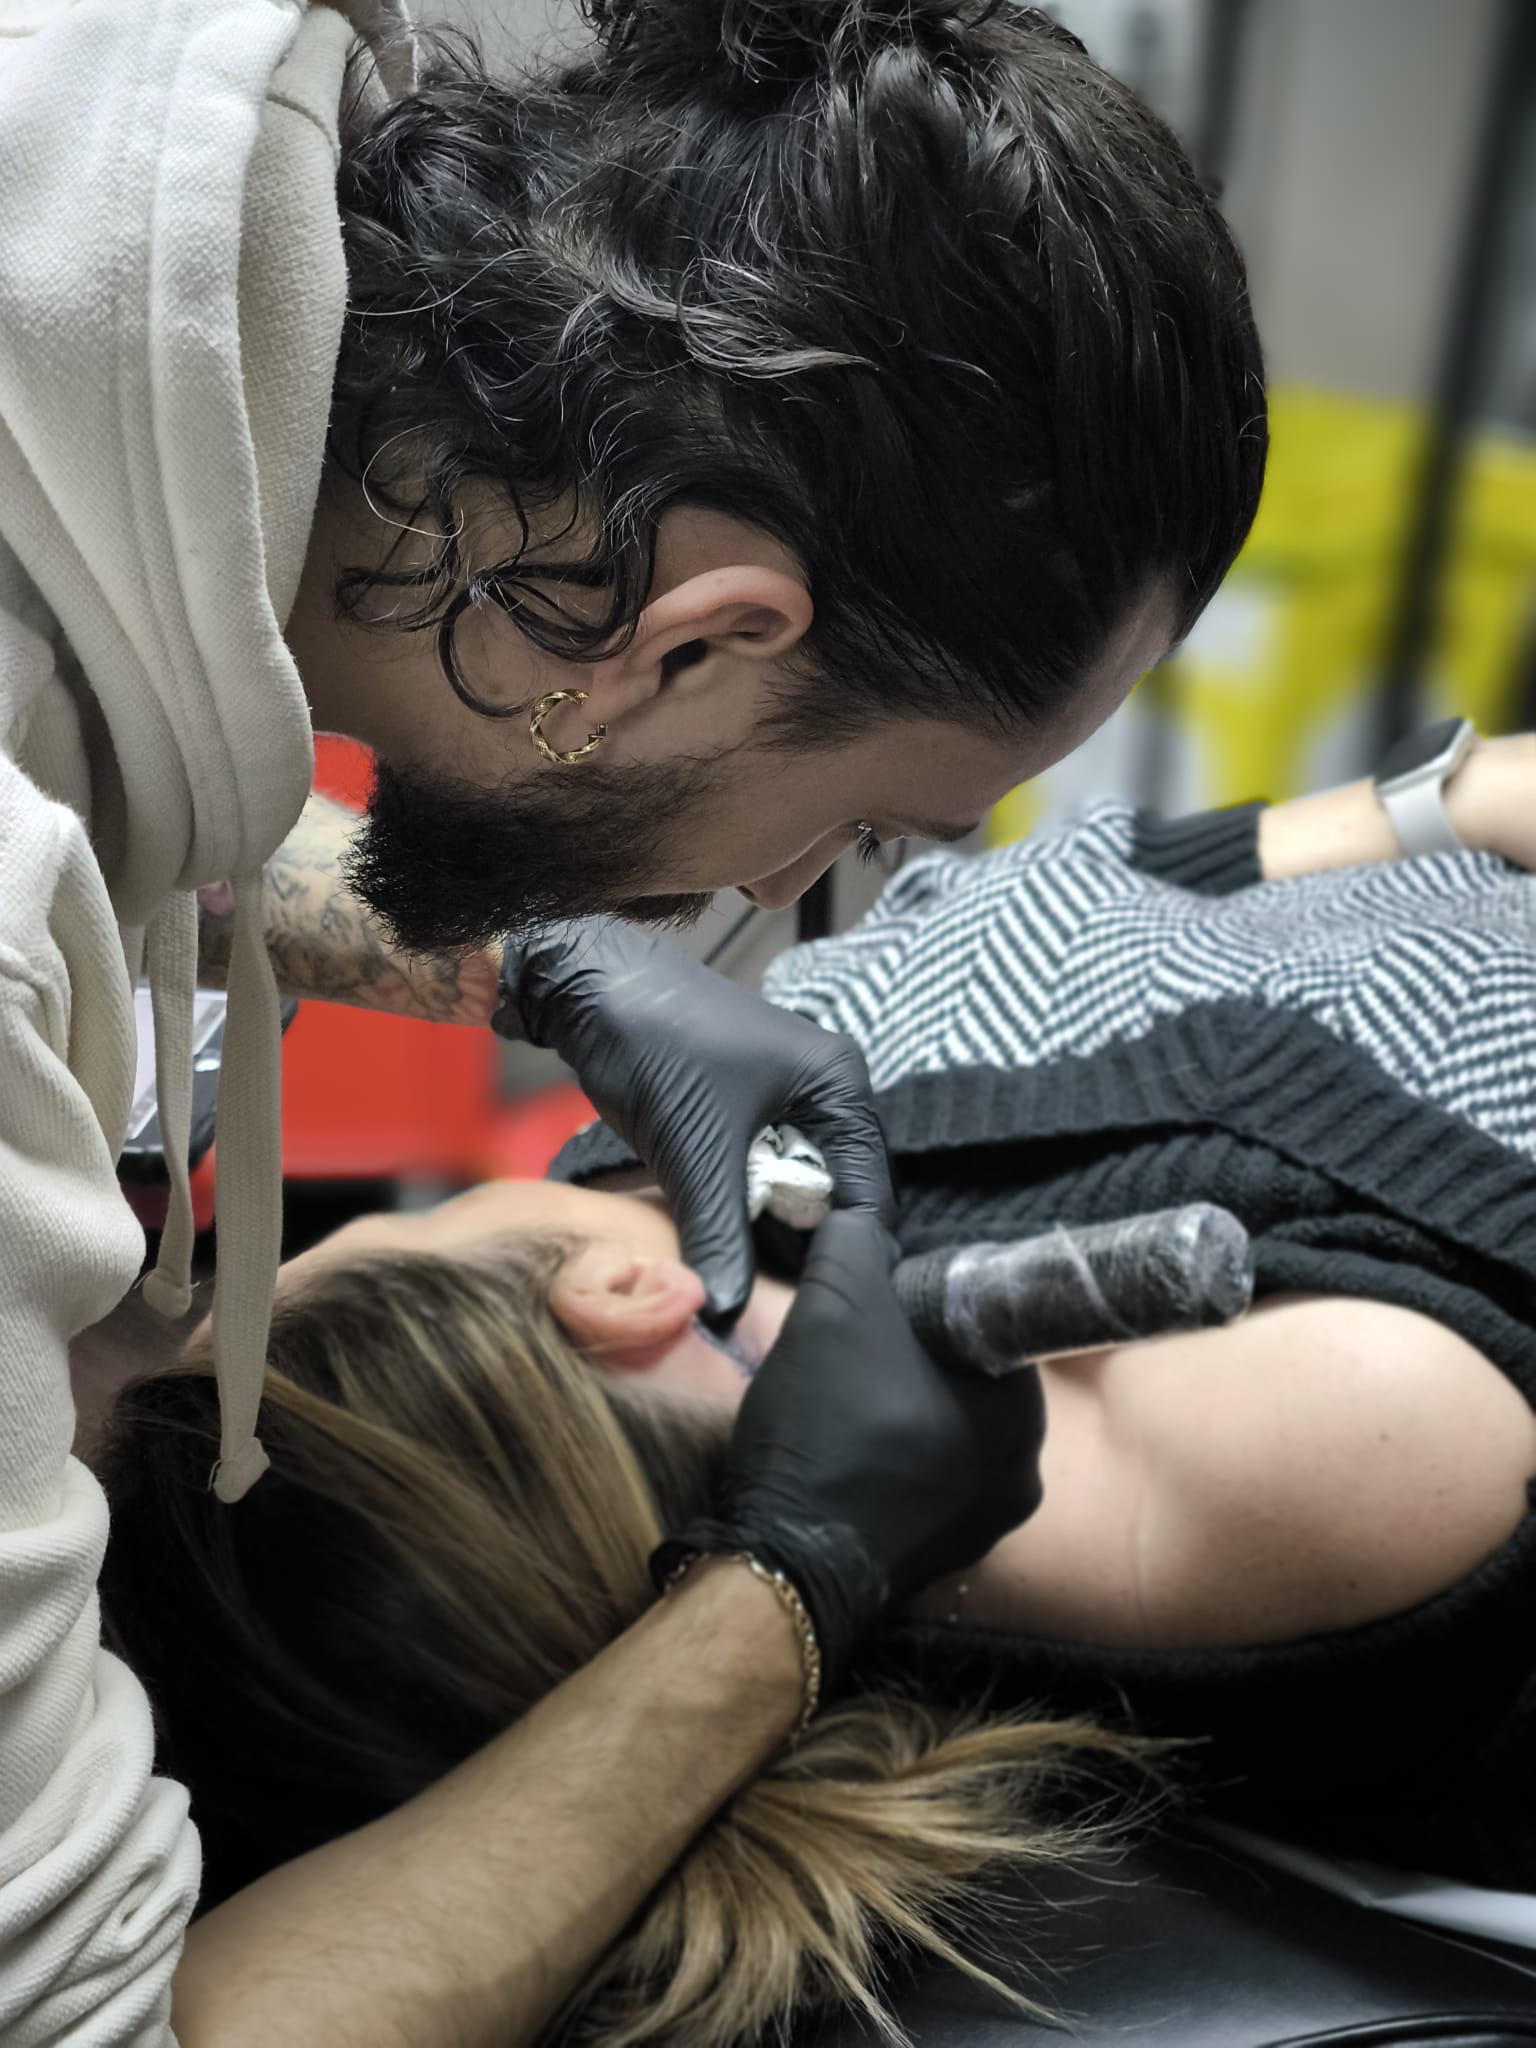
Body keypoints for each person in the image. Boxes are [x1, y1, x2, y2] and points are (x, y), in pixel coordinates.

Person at [0, 0, 1264, 2038]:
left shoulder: (177, 212)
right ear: (695, 641)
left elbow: (104, 807)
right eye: (860, 824)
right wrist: (787, 1589)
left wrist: (516, 955)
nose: (781, 891)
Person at [91, 729, 1536, 2042]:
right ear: (611, 1297)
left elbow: (1109, 874)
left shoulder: (766, 1172)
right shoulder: (1318, 1437)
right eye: (411, 1228)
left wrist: (1448, 798)